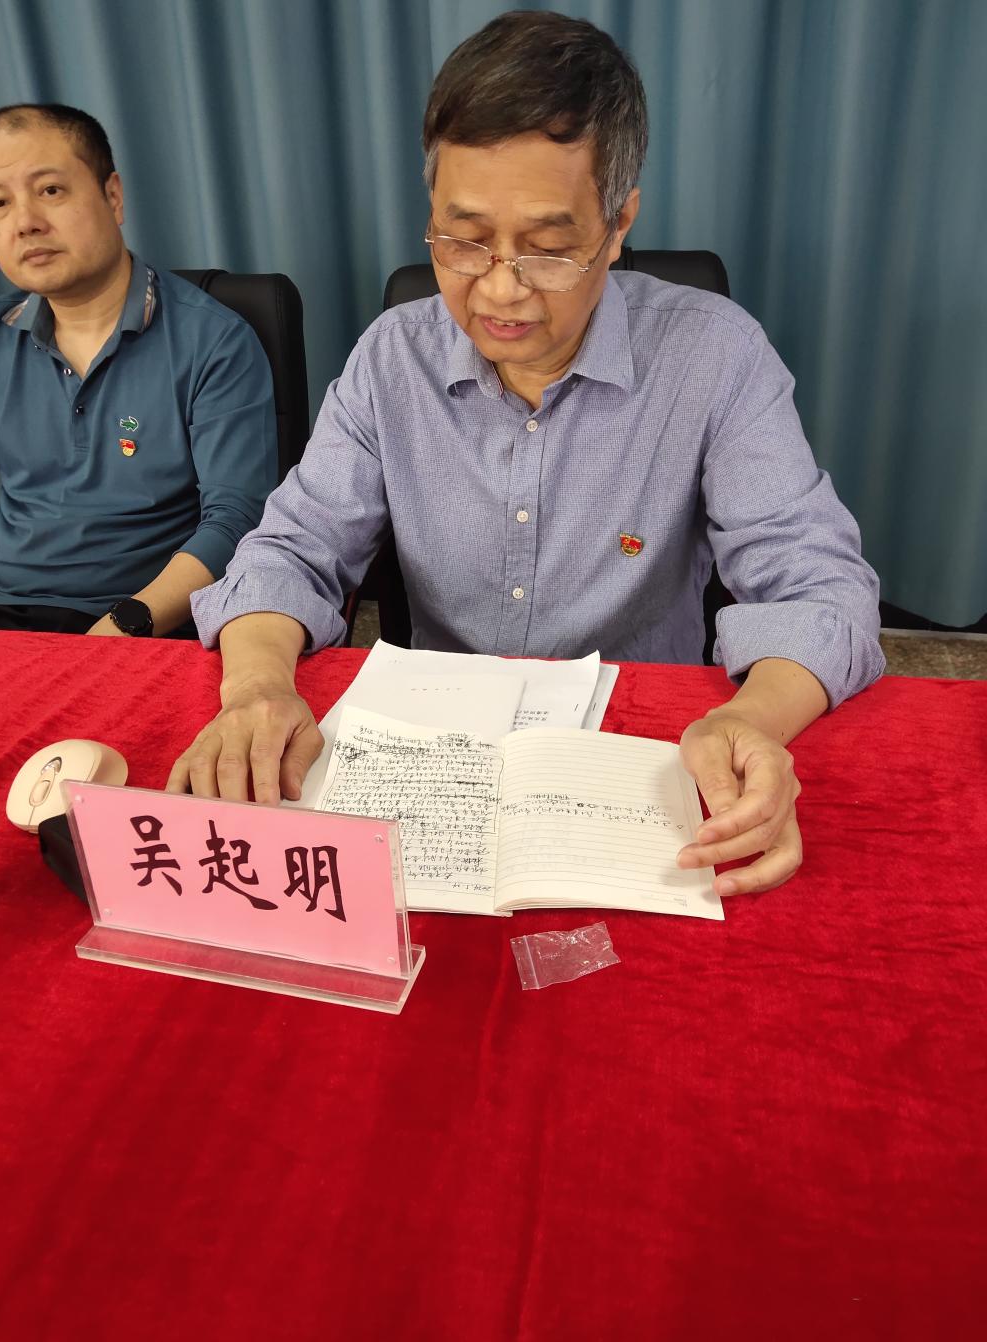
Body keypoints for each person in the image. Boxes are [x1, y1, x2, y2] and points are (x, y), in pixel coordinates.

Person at [171, 11, 885, 899]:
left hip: (636, 760)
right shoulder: (392, 358)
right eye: (463, 240)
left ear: (617, 226)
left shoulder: (715, 355)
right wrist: (258, 687)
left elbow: (819, 587)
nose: (501, 290)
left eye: (549, 250)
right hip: (435, 763)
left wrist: (753, 719)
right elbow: (291, 550)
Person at [0, 103, 276, 637]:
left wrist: (124, 625)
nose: (25, 222)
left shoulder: (213, 340)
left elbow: (236, 519)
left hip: (148, 624)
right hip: (4, 618)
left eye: (50, 190)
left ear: (113, 196)